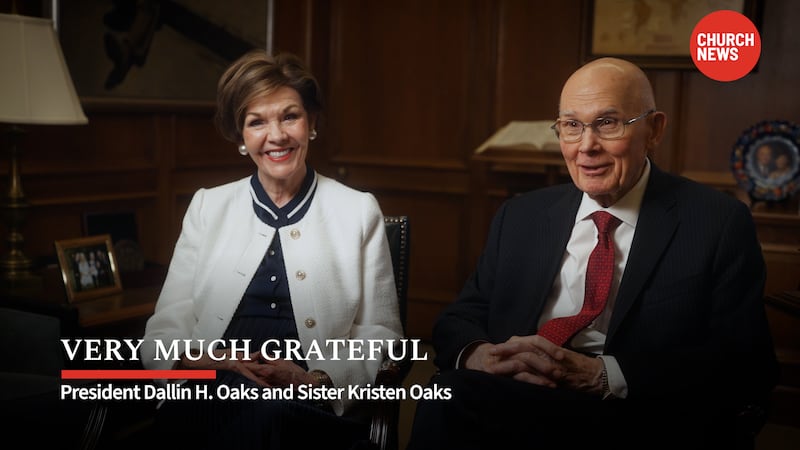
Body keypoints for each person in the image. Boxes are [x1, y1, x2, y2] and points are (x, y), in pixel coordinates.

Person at [407, 57, 778, 450]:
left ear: (654, 129)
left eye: (607, 123)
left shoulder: (716, 222)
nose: (587, 146)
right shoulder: (521, 215)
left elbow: (743, 363)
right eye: (571, 126)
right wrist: (480, 355)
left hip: (635, 414)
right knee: (448, 392)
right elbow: (459, 318)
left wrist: (604, 375)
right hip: (518, 397)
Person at [140, 49, 403, 449]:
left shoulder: (357, 210)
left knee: (268, 416)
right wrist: (207, 361)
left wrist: (312, 380)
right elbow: (166, 326)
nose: (276, 135)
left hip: (304, 401)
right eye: (256, 122)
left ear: (312, 123)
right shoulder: (208, 206)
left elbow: (382, 337)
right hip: (211, 385)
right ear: (241, 137)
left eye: (290, 116)